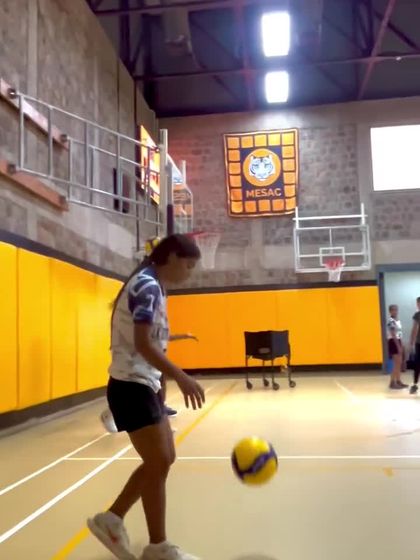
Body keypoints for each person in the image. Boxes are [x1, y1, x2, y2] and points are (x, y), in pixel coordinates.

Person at [88, 234, 205, 560]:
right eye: (189, 265)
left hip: (145, 386)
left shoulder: (155, 286)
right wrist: (181, 376)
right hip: (131, 387)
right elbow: (142, 344)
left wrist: (164, 383)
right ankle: (157, 546)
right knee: (159, 461)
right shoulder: (147, 286)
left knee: (164, 459)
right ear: (172, 258)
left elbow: (152, 338)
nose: (190, 273)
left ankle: (112, 519)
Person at [100, 333, 199, 433]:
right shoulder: (136, 330)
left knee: (157, 391)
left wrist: (183, 336)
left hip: (149, 367)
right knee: (134, 398)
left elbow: (161, 337)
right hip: (135, 368)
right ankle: (109, 413)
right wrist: (179, 375)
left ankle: (161, 420)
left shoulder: (154, 331)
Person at [386, 304, 408, 390]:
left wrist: (401, 344)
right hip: (393, 342)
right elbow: (393, 334)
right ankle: (392, 382)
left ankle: (398, 381)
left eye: (396, 310)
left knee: (399, 363)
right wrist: (398, 345)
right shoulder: (391, 321)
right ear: (390, 311)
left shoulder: (398, 321)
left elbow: (399, 333)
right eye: (393, 310)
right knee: (396, 363)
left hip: (398, 341)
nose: (395, 311)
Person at [409, 297, 420, 395]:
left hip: (418, 342)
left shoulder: (417, 315)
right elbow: (414, 328)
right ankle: (415, 384)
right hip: (418, 342)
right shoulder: (417, 315)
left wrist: (411, 342)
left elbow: (414, 328)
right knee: (417, 363)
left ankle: (415, 384)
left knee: (417, 363)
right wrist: (412, 342)